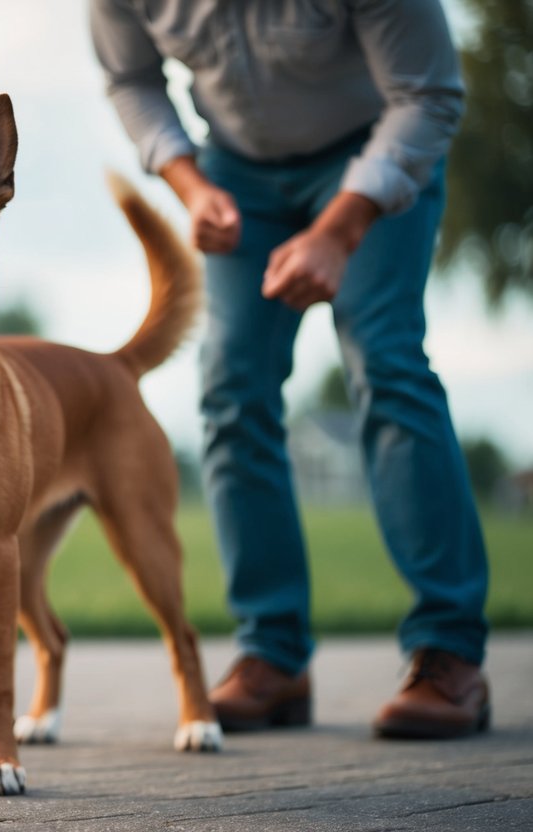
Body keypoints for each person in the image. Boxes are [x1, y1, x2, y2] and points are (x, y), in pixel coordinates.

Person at [91, 0, 491, 739]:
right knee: (229, 388)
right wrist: (188, 182)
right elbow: (130, 77)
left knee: (386, 362)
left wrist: (341, 229)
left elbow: (428, 94)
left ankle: (449, 653)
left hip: (373, 152)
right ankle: (271, 657)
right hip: (235, 168)